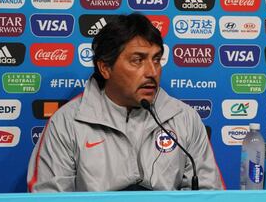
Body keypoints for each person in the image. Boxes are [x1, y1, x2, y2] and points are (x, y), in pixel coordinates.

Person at [27, 13, 225, 192]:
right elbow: (48, 196)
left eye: (156, 59)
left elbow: (208, 192)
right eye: (137, 60)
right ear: (105, 68)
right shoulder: (67, 123)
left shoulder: (185, 118)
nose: (152, 72)